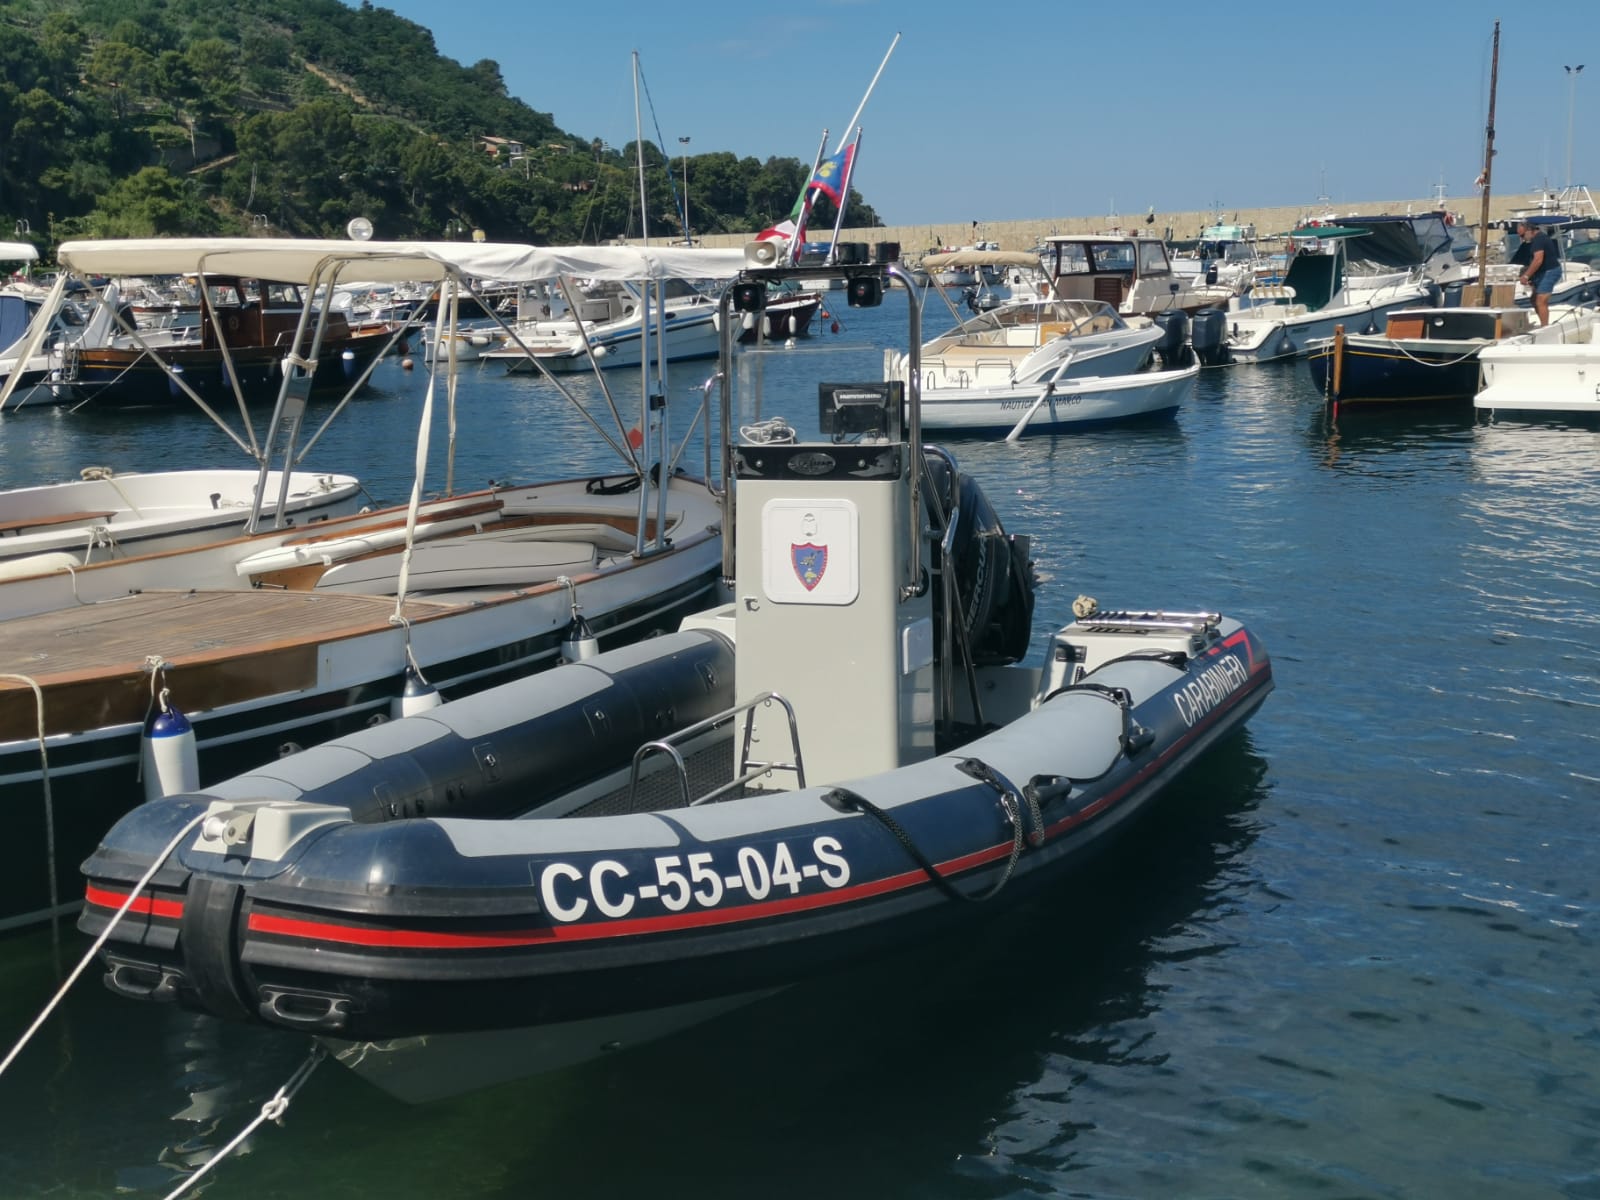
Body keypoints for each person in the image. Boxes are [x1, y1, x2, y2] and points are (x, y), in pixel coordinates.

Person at [1517, 220, 1562, 326]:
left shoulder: (1539, 240)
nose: (1522, 238)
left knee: (1541, 300)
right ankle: (1543, 323)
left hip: (1550, 271)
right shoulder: (1536, 240)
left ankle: (1545, 327)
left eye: (1522, 235)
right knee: (1534, 300)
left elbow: (1538, 260)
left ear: (1529, 230)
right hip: (1542, 272)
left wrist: (1527, 275)